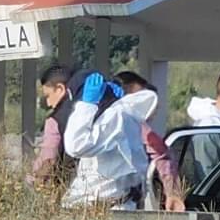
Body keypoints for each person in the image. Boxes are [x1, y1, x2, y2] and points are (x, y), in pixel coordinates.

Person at [61, 71, 158, 210]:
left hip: (103, 207)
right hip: (114, 203)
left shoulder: (116, 116)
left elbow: (75, 146)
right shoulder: (124, 115)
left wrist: (87, 105)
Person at [114, 71, 186, 212]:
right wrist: (174, 194)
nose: (146, 102)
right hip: (120, 203)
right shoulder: (136, 125)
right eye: (140, 96)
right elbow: (162, 156)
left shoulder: (96, 122)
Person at [30, 64, 78, 190]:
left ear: (59, 89)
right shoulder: (87, 111)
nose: (48, 102)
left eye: (47, 96)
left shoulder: (55, 120)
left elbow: (49, 159)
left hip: (66, 187)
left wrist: (35, 180)